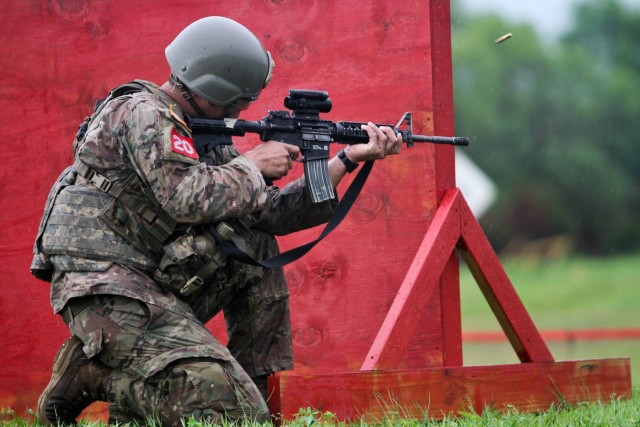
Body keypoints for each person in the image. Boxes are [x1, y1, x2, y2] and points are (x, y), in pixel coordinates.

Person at [31, 16, 402, 426]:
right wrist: (252, 164)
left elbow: (269, 214)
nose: (243, 109)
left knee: (254, 246)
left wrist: (345, 160)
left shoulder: (199, 132)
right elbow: (185, 199)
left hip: (151, 280)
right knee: (225, 409)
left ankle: (251, 387)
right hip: (106, 286)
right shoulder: (142, 112)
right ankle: (96, 377)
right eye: (240, 100)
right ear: (216, 88)